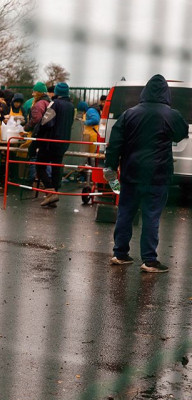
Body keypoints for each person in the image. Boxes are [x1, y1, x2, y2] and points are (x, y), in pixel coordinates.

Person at [104, 75, 188, 273]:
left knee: (125, 212)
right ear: (166, 93)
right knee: (151, 215)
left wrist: (110, 167)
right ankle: (149, 260)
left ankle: (120, 253)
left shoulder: (128, 114)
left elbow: (115, 144)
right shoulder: (171, 114)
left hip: (131, 172)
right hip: (157, 176)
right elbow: (181, 133)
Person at [26, 82, 74, 207]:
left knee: (40, 165)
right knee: (56, 169)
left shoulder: (55, 103)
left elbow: (46, 122)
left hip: (50, 141)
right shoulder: (70, 106)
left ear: (57, 92)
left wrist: (38, 135)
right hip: (64, 141)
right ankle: (53, 195)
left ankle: (50, 191)